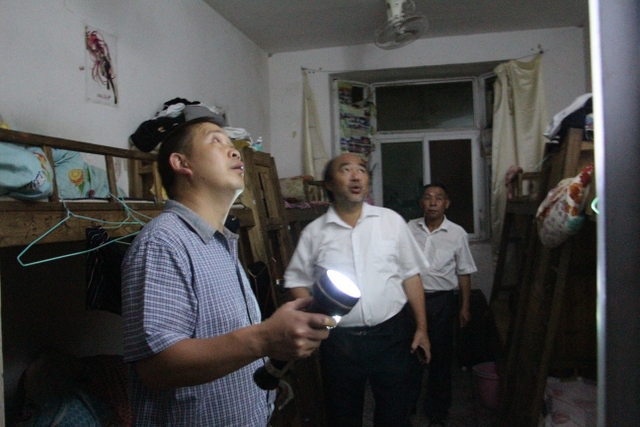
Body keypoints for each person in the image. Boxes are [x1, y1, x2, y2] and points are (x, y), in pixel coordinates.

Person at [121, 117, 335, 426]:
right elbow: (156, 368)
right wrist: (265, 338)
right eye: (216, 141)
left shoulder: (220, 242)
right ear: (181, 163)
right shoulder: (163, 241)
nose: (235, 151)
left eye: (233, 145)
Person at [284, 152, 432, 427]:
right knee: (343, 416)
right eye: (346, 170)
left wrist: (422, 328)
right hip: (340, 343)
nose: (356, 176)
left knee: (395, 414)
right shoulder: (315, 232)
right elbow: (295, 280)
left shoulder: (391, 221)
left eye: (362, 170)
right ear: (329, 184)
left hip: (391, 337)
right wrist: (319, 320)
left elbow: (411, 275)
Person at [407, 183, 478, 427]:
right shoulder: (409, 228)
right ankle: (407, 406)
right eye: (428, 198)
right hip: (411, 301)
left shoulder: (457, 233)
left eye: (438, 198)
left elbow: (464, 272)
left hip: (441, 302)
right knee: (410, 355)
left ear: (446, 203)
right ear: (421, 203)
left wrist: (464, 306)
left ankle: (437, 411)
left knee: (440, 357)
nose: (433, 202)